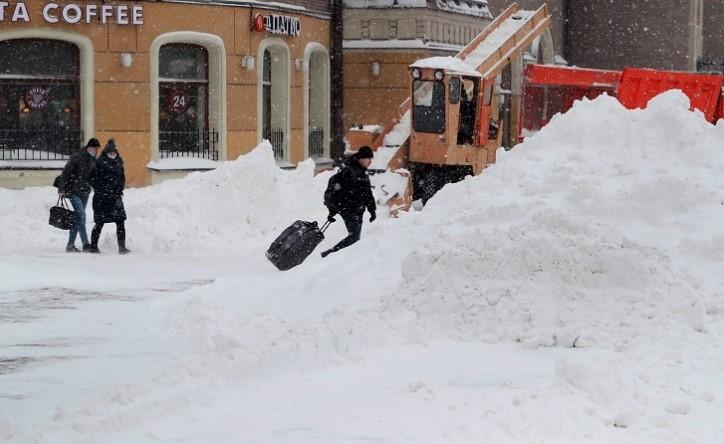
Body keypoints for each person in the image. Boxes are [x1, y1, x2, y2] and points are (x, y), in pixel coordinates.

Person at [321, 146, 376, 258]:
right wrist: (333, 210)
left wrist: (372, 209)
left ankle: (348, 259)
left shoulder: (362, 171)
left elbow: (367, 192)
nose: (370, 162)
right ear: (362, 158)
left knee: (355, 238)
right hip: (348, 210)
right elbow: (338, 194)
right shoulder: (349, 171)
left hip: (358, 209)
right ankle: (331, 254)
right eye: (368, 159)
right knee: (354, 237)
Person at [57, 138, 99, 252]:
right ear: (90, 148)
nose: (97, 151)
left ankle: (70, 245)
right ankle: (86, 244)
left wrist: (98, 189)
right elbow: (65, 174)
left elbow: (93, 177)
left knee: (77, 218)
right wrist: (61, 189)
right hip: (72, 191)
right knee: (81, 216)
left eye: (97, 149)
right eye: (95, 148)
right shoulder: (77, 157)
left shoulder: (93, 160)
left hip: (85, 192)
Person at [89, 140, 130, 255]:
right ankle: (93, 247)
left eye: (114, 153)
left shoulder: (119, 163)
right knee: (99, 222)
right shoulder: (99, 163)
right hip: (102, 198)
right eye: (110, 153)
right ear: (106, 153)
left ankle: (122, 247)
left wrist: (119, 189)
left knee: (120, 221)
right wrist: (102, 190)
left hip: (116, 198)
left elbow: (122, 178)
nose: (112, 155)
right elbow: (92, 179)